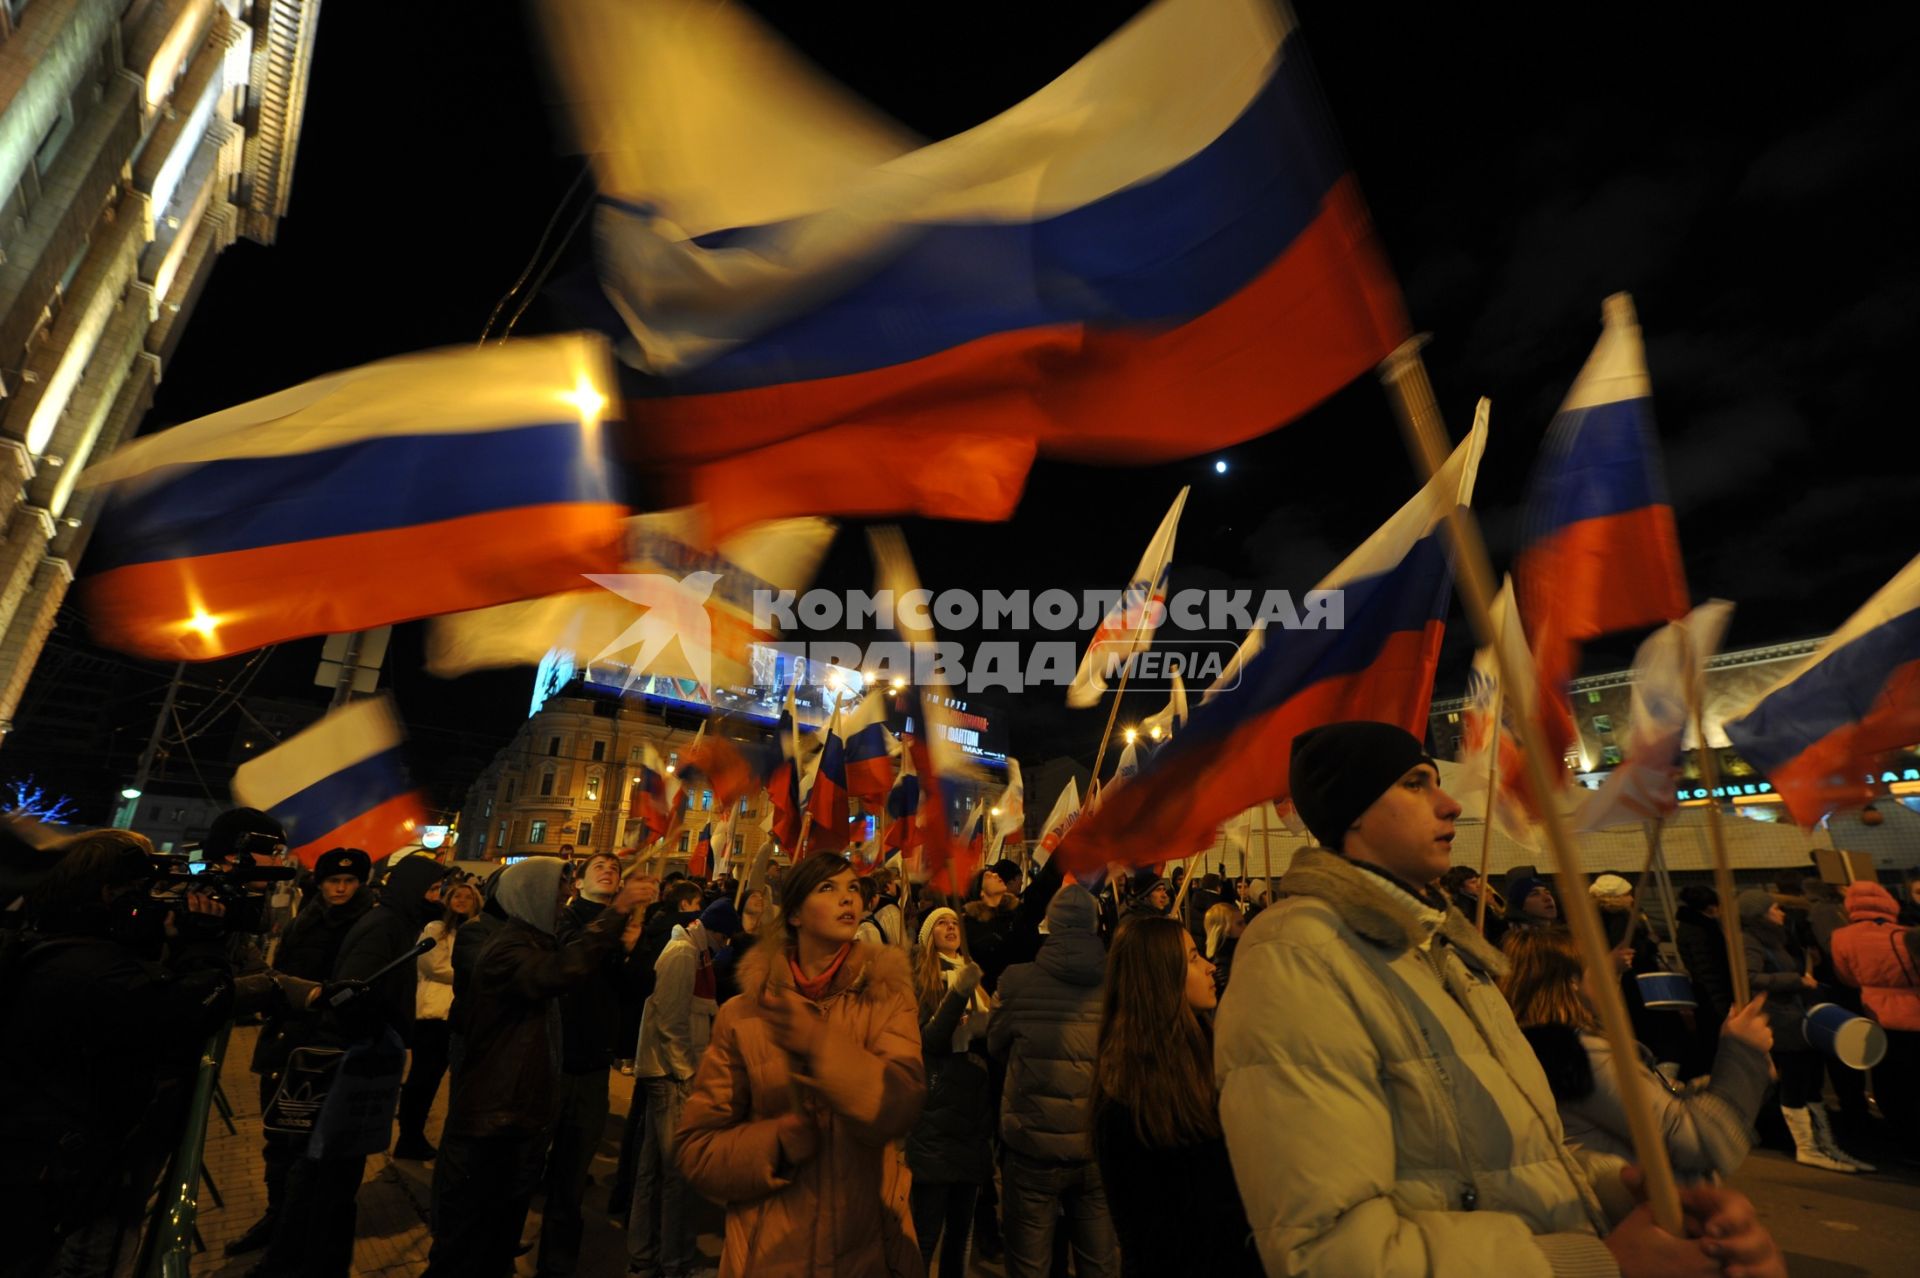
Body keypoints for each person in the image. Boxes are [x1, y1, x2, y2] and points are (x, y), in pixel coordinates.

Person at [1216, 722, 1786, 1277]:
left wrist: (1624, 1193)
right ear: (1355, 810)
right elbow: (1328, 1251)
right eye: (1415, 784)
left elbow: (1503, 1160)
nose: (1450, 805)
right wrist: (1597, 1262)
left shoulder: (1447, 952)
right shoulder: (1297, 954)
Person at [0, 829, 326, 1277]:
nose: (154, 902)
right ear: (108, 893)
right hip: (72, 1171)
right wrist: (205, 946)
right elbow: (191, 1005)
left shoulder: (59, 946)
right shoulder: (93, 971)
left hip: (56, 1160)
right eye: (142, 892)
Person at [675, 852, 925, 1276]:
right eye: (827, 888)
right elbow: (697, 1151)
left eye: (852, 888)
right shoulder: (744, 1014)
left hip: (862, 1248)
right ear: (793, 914)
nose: (848, 898)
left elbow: (900, 1107)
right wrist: (774, 1145)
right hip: (767, 1251)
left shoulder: (887, 999)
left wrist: (820, 1045)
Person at [423, 858, 650, 1277]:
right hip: (492, 1121)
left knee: (494, 1241)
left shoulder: (532, 942)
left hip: (516, 1117)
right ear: (531, 896)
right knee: (464, 1246)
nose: (563, 900)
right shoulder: (506, 949)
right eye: (557, 892)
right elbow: (560, 972)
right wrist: (617, 911)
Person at [256, 853, 451, 1278]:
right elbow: (353, 994)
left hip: (344, 1058)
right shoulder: (383, 926)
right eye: (433, 889)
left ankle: (300, 1258)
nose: (441, 898)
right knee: (319, 1174)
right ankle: (297, 1260)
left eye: (350, 880)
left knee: (324, 1176)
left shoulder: (395, 923)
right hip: (337, 1062)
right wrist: (379, 1033)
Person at [1504, 926, 1774, 1181]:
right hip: (1637, 1209)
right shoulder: (1577, 1056)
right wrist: (1741, 1053)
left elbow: (1666, 1104)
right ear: (1572, 983)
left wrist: (1745, 1074)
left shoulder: (1549, 1050)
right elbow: (1696, 1142)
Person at [1092, 915, 1261, 1277]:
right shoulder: (1132, 1088)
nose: (1210, 967)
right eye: (1194, 957)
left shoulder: (1207, 1049)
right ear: (1159, 975)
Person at [232, 847, 373, 1257]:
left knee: (308, 1147)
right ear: (321, 883)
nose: (341, 887)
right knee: (277, 1136)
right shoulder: (302, 921)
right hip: (286, 1042)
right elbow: (275, 972)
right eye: (333, 881)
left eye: (348, 881)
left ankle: (294, 1230)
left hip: (325, 1050)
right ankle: (276, 1215)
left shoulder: (364, 926)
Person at [987, 885, 1116, 1278]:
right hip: (1095, 1144)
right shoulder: (1116, 980)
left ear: (1051, 925)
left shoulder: (1018, 981)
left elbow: (996, 1045)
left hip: (1031, 1143)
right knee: (1100, 1263)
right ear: (1095, 925)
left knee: (1029, 1265)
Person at [541, 851, 648, 1278]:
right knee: (527, 1166)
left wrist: (634, 950)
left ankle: (557, 1262)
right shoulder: (563, 920)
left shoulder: (624, 925)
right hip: (551, 1061)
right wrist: (616, 917)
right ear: (579, 882)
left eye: (615, 868)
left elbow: (635, 990)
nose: (610, 870)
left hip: (592, 1065)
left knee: (572, 1176)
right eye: (599, 867)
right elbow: (571, 961)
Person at [1738, 886, 1872, 1173]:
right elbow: (1750, 977)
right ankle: (1807, 1147)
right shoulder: (1749, 940)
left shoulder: (1775, 938)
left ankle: (1826, 1145)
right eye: (1774, 908)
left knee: (1811, 1081)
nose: (1780, 912)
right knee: (1796, 1081)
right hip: (1780, 1021)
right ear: (1759, 914)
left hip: (1797, 1017)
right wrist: (1796, 980)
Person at [626, 879, 714, 1278]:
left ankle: (644, 1253)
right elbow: (671, 1020)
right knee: (676, 1172)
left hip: (661, 1070)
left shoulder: (686, 947)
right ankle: (672, 1260)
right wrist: (687, 1074)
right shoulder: (682, 953)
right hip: (669, 1074)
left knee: (653, 1170)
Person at [906, 906, 994, 1278]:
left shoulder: (973, 976)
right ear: (928, 938)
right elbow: (932, 1039)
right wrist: (958, 994)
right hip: (937, 1115)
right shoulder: (921, 979)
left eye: (955, 922)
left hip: (972, 1117)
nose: (950, 927)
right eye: (941, 923)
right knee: (926, 1234)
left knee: (961, 1234)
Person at [393, 878, 480, 1162]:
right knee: (423, 1079)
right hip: (432, 1017)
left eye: (468, 896)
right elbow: (434, 966)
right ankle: (409, 1136)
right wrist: (475, 974)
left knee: (445, 1080)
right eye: (457, 895)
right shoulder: (436, 929)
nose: (462, 899)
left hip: (459, 1016)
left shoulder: (477, 933)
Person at [1828, 877, 1920, 1142]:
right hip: (1913, 1014)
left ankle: (1904, 1136)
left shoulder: (1840, 937)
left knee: (1888, 1079)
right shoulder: (1904, 934)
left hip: (1874, 1016)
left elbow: (1846, 977)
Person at [1202, 900, 1245, 997]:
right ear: (1224, 928)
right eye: (1239, 924)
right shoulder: (1223, 965)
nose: (1245, 927)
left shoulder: (1235, 953)